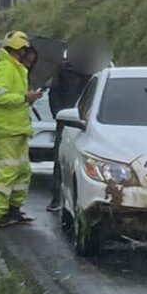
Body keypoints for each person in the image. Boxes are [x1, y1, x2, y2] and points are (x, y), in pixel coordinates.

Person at [0, 31, 42, 227]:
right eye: (26, 51)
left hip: (18, 129)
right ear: (19, 49)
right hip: (6, 130)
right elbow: (0, 97)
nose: (28, 55)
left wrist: (28, 98)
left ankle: (14, 210)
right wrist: (24, 98)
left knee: (23, 172)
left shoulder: (17, 69)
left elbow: (15, 99)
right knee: (8, 172)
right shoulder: (4, 68)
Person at [46, 42, 96, 211]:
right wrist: (59, 116)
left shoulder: (95, 73)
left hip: (89, 125)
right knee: (60, 161)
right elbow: (54, 95)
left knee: (87, 166)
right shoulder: (63, 72)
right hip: (67, 122)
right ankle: (56, 198)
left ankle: (83, 201)